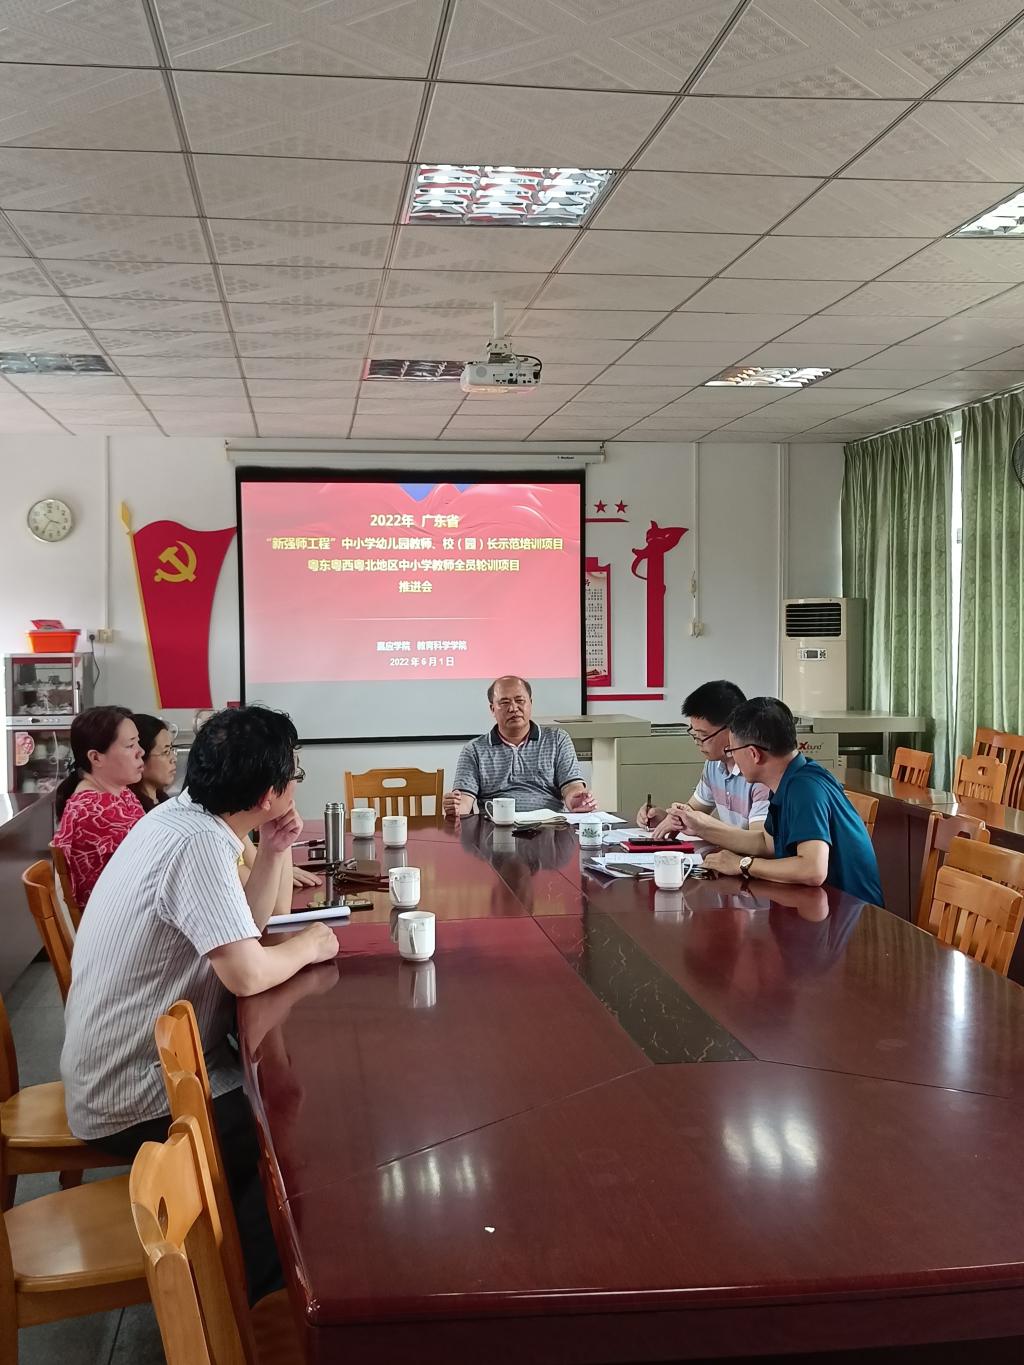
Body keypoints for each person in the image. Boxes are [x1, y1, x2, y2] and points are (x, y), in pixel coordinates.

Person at [60, 704, 340, 1301]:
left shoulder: (185, 817)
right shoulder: (199, 846)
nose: (296, 783)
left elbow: (251, 925)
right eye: (294, 774)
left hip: (127, 1063)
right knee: (284, 1137)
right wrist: (313, 945)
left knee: (281, 1101)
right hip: (130, 1091)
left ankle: (248, 1276)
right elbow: (246, 973)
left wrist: (274, 849)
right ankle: (253, 1307)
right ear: (267, 794)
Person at [700, 696, 884, 905]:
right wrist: (703, 829)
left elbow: (812, 870)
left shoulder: (804, 788)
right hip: (821, 906)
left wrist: (742, 864)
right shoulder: (788, 779)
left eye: (732, 750)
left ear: (753, 754)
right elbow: (767, 843)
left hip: (852, 915)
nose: (732, 758)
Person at [637, 680, 771, 847]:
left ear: (733, 729)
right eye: (694, 734)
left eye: (703, 735)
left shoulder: (758, 772)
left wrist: (705, 828)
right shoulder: (714, 765)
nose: (697, 742)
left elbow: (761, 842)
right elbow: (693, 812)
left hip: (747, 860)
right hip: (729, 855)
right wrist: (666, 819)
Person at [442, 675, 597, 817]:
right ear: (492, 709)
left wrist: (577, 799)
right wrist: (456, 806)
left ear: (530, 703)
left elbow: (571, 786)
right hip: (495, 827)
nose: (513, 708)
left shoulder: (557, 739)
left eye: (520, 700)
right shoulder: (474, 749)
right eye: (504, 702)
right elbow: (464, 799)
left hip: (549, 826)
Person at [52, 705, 146, 908]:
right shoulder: (94, 810)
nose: (141, 752)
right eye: (130, 745)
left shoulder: (120, 792)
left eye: (138, 742)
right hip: (114, 919)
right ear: (96, 757)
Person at [131, 711, 176, 813]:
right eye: (165, 752)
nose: (173, 759)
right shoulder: (135, 813)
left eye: (171, 749)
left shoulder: (165, 801)